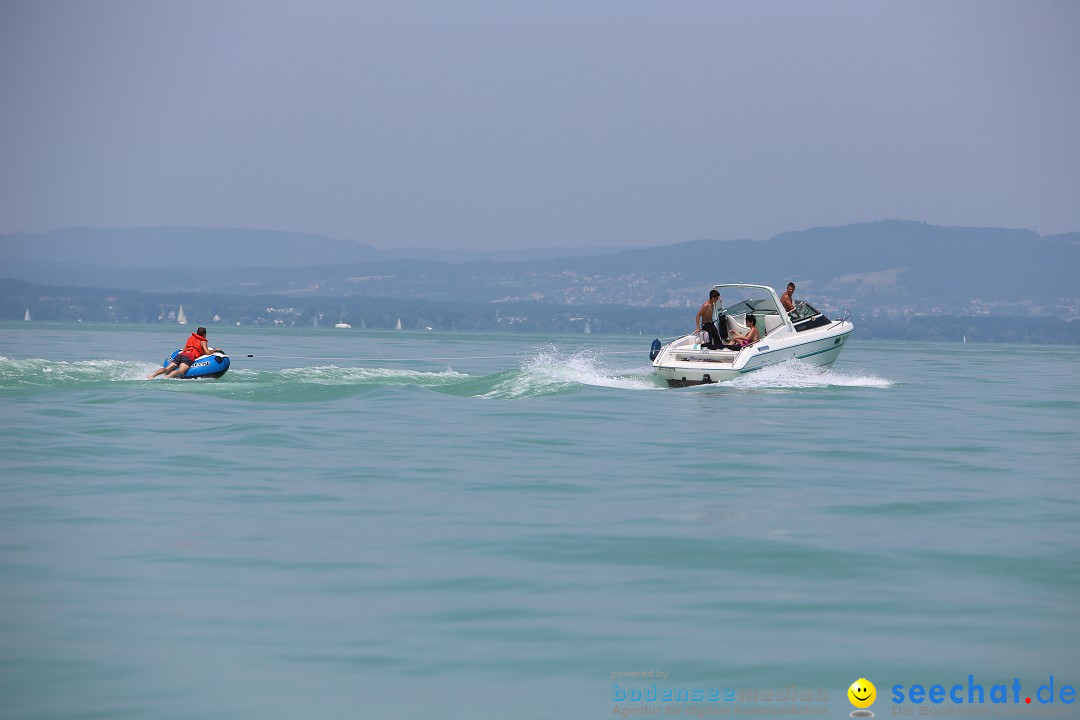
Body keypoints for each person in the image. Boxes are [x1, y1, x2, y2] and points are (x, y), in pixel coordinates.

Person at [147, 326, 216, 379]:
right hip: (189, 356)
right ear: (204, 335)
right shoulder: (203, 341)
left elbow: (184, 349)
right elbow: (207, 352)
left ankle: (153, 375)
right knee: (181, 371)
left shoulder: (191, 338)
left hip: (181, 355)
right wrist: (215, 350)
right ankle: (167, 377)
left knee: (167, 369)